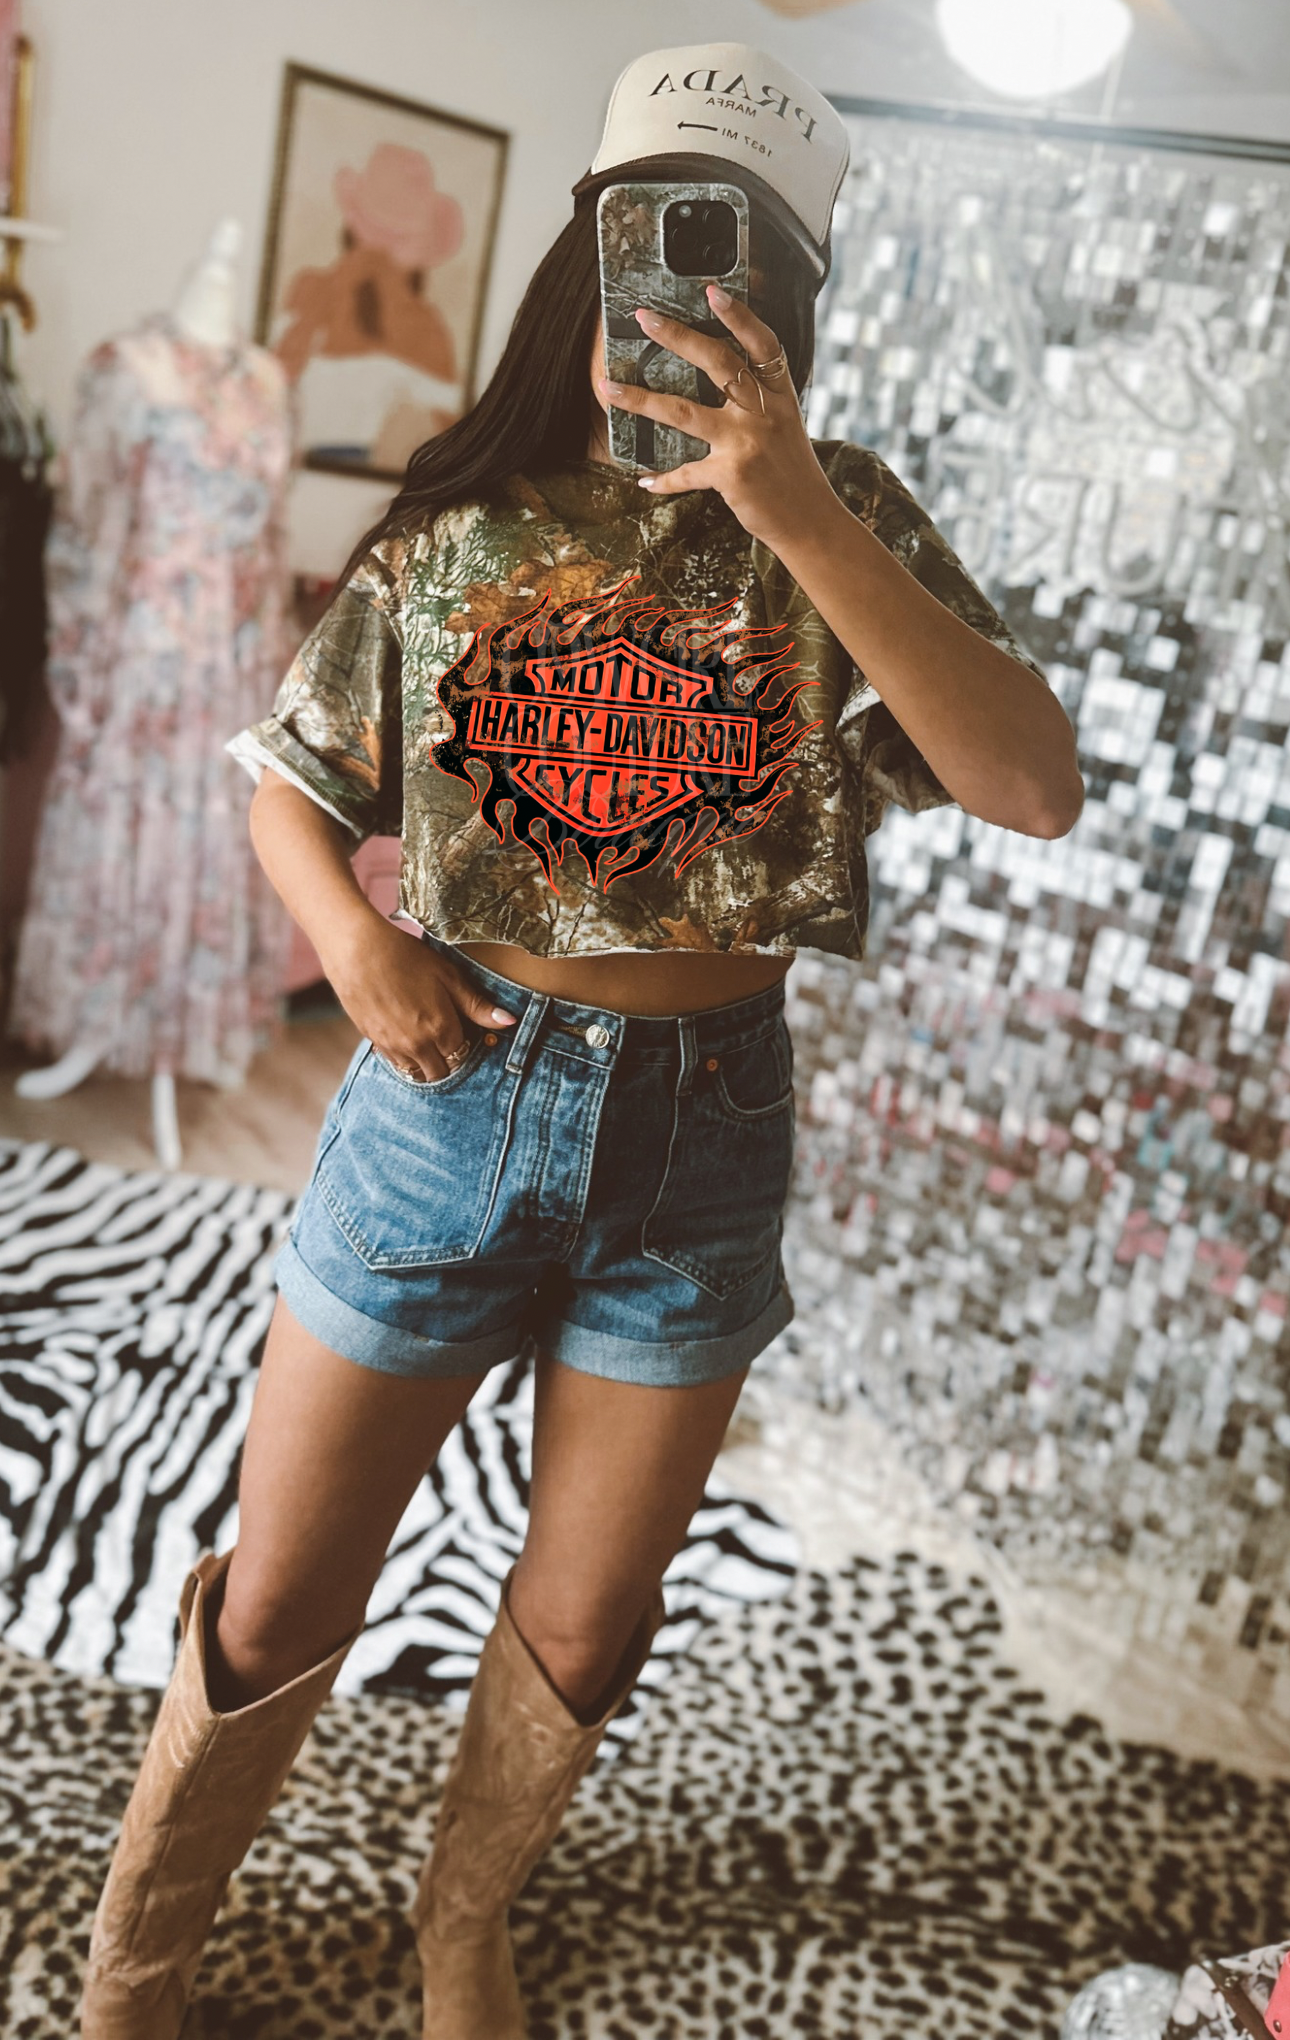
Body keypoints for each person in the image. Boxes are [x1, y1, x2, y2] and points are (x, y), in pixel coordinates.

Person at [79, 39, 1084, 2040]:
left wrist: (794, 507)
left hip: (706, 1137)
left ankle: (461, 1928)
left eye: (741, 264)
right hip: (450, 1100)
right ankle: (137, 1967)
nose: (694, 301)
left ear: (792, 299)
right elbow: (287, 787)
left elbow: (1031, 785)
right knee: (279, 1600)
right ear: (590, 266)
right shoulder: (467, 517)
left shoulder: (846, 524)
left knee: (590, 1623)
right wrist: (349, 949)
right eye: (658, 251)